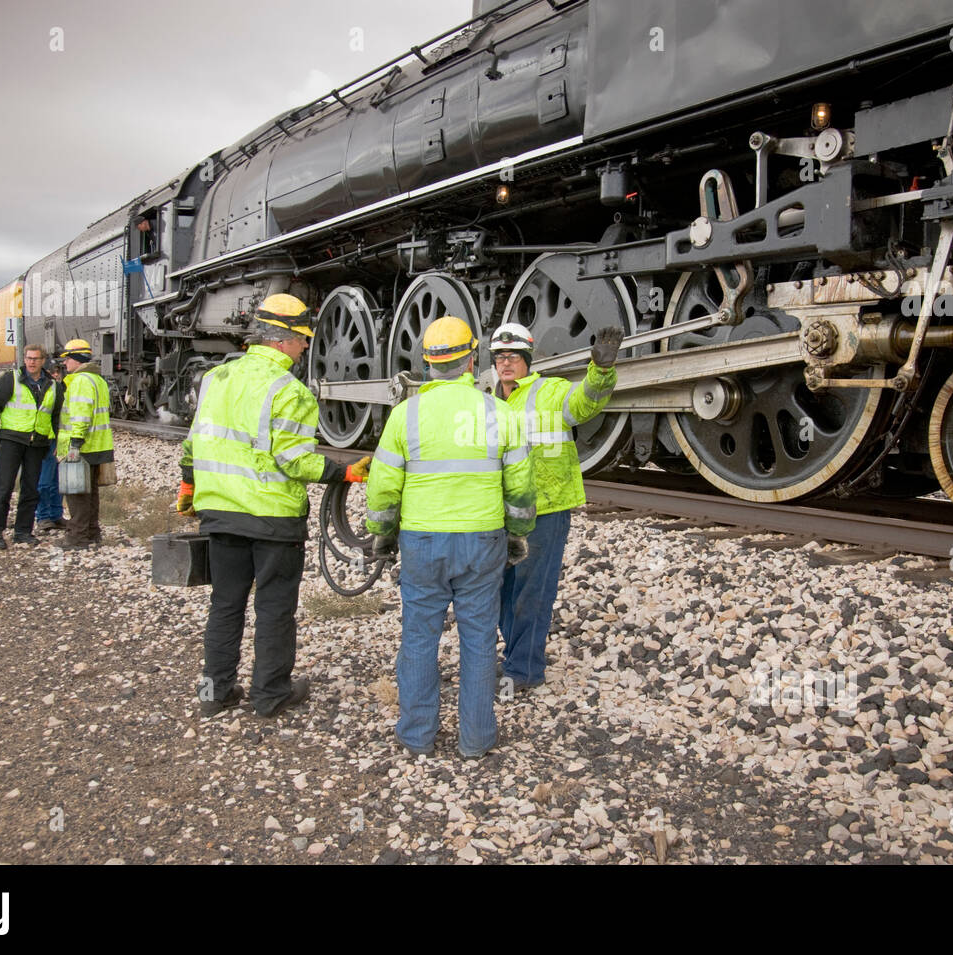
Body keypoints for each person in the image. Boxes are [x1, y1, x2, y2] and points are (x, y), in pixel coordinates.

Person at [178, 294, 369, 719]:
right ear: (283, 341)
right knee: (274, 608)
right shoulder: (290, 391)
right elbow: (294, 460)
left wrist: (189, 488)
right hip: (272, 519)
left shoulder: (215, 379)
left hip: (221, 514)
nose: (305, 348)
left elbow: (192, 444)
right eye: (302, 340)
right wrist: (345, 473)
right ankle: (269, 694)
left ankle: (214, 692)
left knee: (225, 604)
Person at [366, 316, 536, 759]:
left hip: (422, 542)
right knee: (479, 637)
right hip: (483, 540)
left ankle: (417, 736)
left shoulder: (406, 415)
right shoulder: (499, 412)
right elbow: (519, 487)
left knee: (419, 636)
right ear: (471, 360)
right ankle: (476, 739)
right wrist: (517, 535)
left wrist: (382, 536)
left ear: (427, 365)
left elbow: (383, 488)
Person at [490, 321, 622, 692]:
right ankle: (516, 655)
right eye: (500, 356)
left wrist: (602, 370)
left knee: (531, 592)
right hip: (498, 511)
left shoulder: (550, 391)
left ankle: (523, 670)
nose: (506, 362)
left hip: (545, 509)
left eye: (514, 356)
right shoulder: (486, 401)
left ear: (527, 360)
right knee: (499, 590)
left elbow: (586, 403)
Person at [0, 344, 59, 549]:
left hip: (38, 444)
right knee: (3, 486)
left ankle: (23, 531)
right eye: (28, 358)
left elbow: (57, 417)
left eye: (36, 358)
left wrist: (59, 442)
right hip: (12, 441)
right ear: (24, 359)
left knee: (31, 489)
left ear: (43, 361)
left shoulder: (52, 385)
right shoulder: (11, 379)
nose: (31, 362)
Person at [55, 338, 114, 549]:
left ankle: (77, 537)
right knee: (91, 493)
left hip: (82, 446)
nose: (65, 364)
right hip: (99, 445)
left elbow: (81, 415)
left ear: (77, 359)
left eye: (67, 359)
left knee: (77, 493)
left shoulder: (80, 381)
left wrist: (74, 444)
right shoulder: (98, 380)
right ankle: (92, 533)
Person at [35, 358, 67, 532]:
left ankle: (56, 515)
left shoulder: (64, 387)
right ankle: (43, 516)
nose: (56, 374)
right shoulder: (46, 388)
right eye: (53, 371)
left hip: (62, 439)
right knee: (45, 480)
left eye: (58, 371)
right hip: (49, 439)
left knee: (59, 479)